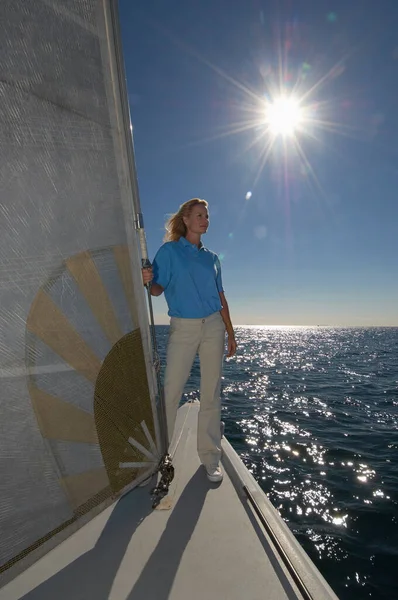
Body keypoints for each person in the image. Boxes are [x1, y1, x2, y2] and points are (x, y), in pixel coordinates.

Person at [142, 198, 236, 482]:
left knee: (211, 394)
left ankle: (210, 458)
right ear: (185, 219)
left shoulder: (212, 258)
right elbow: (157, 290)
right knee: (171, 391)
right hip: (183, 327)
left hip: (213, 327)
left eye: (207, 215)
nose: (205, 219)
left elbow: (221, 298)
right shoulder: (169, 252)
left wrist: (231, 332)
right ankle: (160, 456)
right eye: (199, 215)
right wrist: (147, 279)